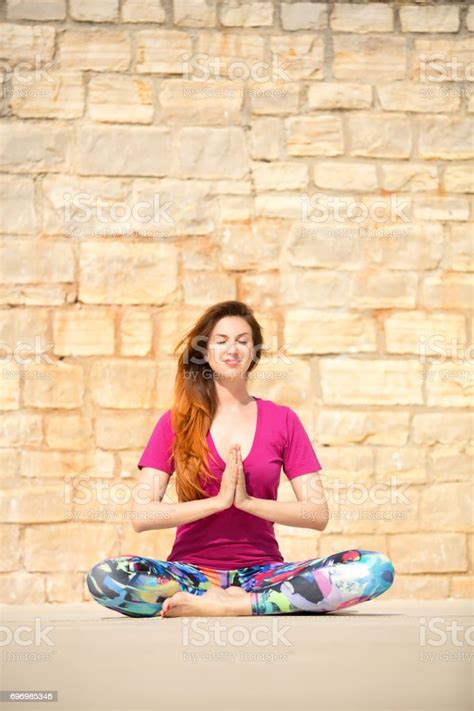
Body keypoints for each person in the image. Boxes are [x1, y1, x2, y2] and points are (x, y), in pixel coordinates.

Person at [86, 300, 395, 618]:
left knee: (374, 569)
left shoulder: (283, 420)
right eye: (221, 341)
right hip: (192, 577)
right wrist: (218, 502)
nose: (232, 349)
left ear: (254, 352)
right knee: (105, 577)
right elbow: (142, 515)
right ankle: (234, 602)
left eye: (242, 341)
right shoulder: (175, 422)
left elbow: (317, 514)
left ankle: (236, 605)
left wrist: (247, 503)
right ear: (205, 351)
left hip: (262, 577)